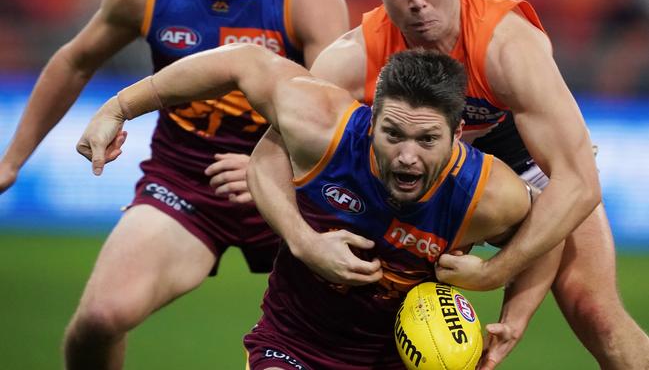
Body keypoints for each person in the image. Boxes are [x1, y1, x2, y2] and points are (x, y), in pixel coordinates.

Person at [246, 0, 649, 370]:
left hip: (522, 163)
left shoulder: (507, 46)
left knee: (597, 313)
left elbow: (577, 181)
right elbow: (270, 153)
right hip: (417, 176)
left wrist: (497, 275)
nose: (417, 1)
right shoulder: (353, 57)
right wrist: (303, 239)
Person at [0, 0, 348, 368]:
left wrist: (273, 168)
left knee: (354, 338)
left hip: (294, 191)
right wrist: (11, 161)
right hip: (185, 183)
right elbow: (74, 62)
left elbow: (340, 114)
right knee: (98, 320)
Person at [76, 44, 563, 369]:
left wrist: (503, 288)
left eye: (428, 139)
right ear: (370, 120)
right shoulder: (324, 128)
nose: (407, 155)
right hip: (293, 346)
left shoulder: (488, 194)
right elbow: (240, 62)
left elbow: (553, 230)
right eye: (392, 133)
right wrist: (117, 108)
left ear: (458, 135)